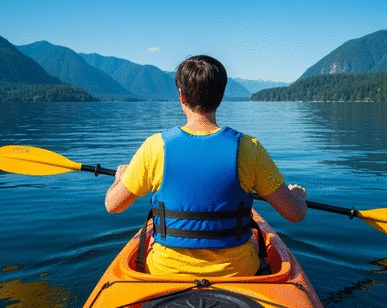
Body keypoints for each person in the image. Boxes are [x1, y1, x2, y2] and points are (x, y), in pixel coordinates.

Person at [105, 55, 307, 277]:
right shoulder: (249, 148)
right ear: (221, 96)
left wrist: (119, 178)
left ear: (181, 96)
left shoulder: (155, 147)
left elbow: (113, 206)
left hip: (164, 273)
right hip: (238, 274)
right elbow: (295, 215)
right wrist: (297, 196)